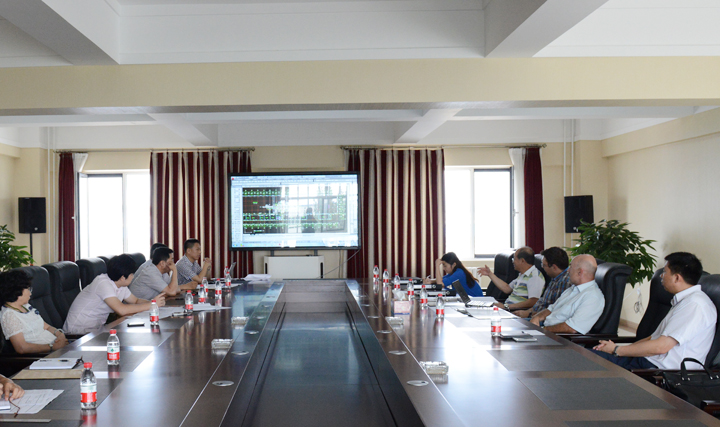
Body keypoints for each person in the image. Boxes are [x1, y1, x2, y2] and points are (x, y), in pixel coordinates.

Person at [592, 252, 717, 370]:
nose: (662, 275)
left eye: (665, 272)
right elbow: (652, 339)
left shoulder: (694, 305)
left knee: (589, 361)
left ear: (677, 278)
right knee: (589, 356)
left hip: (657, 371)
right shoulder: (686, 301)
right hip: (646, 361)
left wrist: (616, 350)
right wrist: (618, 349)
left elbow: (661, 347)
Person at [64, 254, 167, 335]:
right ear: (122, 277)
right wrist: (151, 305)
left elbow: (135, 301)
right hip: (77, 332)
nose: (133, 277)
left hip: (96, 330)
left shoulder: (120, 285)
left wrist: (153, 302)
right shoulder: (103, 283)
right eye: (132, 274)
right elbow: (121, 310)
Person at [529, 255, 604, 334]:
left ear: (580, 272)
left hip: (557, 337)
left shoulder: (592, 297)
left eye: (570, 267)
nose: (568, 271)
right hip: (545, 327)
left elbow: (572, 328)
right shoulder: (572, 289)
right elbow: (551, 309)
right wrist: (537, 317)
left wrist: (542, 329)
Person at [0, 270, 68, 354]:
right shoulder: (9, 315)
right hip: (45, 355)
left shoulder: (26, 306)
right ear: (17, 291)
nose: (30, 293)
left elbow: (46, 327)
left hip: (57, 348)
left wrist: (60, 335)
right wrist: (52, 347)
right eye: (28, 289)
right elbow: (21, 348)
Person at [479, 246, 545, 311]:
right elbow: (507, 289)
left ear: (522, 261)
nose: (513, 262)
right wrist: (490, 274)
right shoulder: (522, 274)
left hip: (516, 312)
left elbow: (533, 301)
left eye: (514, 259)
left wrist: (506, 306)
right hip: (508, 309)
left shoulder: (535, 277)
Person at [514, 247, 572, 319]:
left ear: (554, 267)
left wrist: (529, 314)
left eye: (544, 265)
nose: (543, 268)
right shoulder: (555, 278)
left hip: (542, 320)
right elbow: (543, 303)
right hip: (535, 315)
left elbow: (555, 311)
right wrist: (527, 312)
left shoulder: (565, 282)